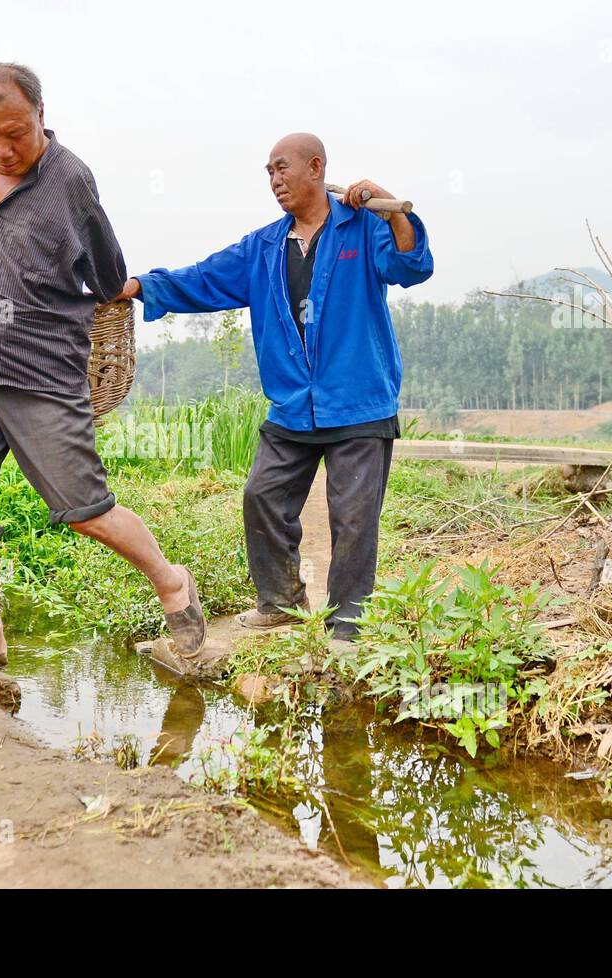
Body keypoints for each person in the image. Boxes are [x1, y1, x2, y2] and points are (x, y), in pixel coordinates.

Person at [0, 62, 207, 678]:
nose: (3, 150)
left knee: (84, 508)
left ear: (41, 116)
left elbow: (108, 274)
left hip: (39, 370)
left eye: (16, 134)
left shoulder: (72, 181)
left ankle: (172, 582)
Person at [120, 133, 434, 647]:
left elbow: (412, 267)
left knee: (353, 519)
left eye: (282, 168)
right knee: (262, 495)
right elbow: (202, 279)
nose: (275, 180)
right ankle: (282, 603)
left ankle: (347, 625)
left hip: (358, 403)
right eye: (268, 171)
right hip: (294, 405)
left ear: (316, 167)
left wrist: (392, 210)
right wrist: (139, 286)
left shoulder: (363, 228)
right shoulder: (264, 247)